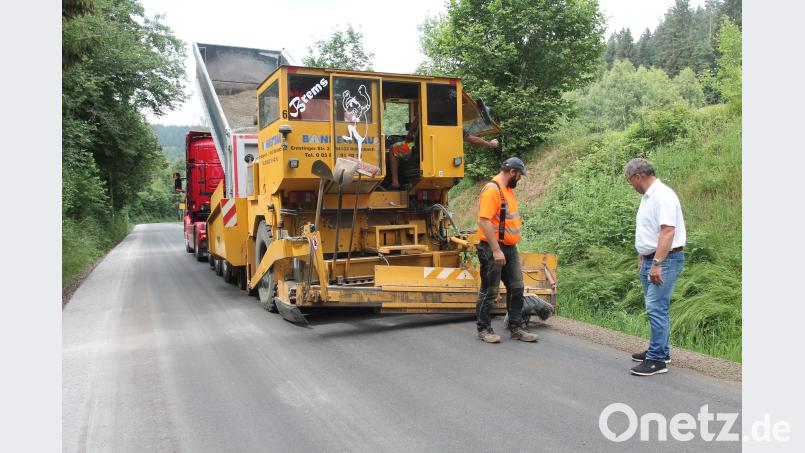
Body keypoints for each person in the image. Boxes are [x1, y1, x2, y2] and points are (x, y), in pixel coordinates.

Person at [624, 158, 686, 376]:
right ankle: (660, 350)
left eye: (630, 180)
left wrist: (657, 263)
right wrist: (644, 255)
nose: (630, 185)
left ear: (638, 176)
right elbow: (650, 229)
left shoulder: (663, 195)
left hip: (665, 260)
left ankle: (657, 360)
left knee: (656, 308)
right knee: (657, 308)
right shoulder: (649, 197)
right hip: (650, 258)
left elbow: (667, 231)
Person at [475, 157, 538, 343]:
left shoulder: (507, 189)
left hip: (510, 248)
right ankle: (484, 329)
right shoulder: (492, 191)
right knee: (490, 290)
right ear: (512, 172)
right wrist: (496, 250)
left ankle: (516, 327)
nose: (519, 179)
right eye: (519, 175)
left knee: (517, 287)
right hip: (493, 248)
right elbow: (483, 221)